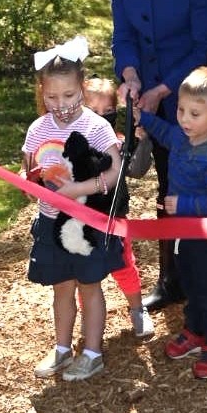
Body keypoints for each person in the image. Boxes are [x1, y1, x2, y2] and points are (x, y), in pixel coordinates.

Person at [103, 0, 207, 313]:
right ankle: (171, 278)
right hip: (147, 88)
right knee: (165, 184)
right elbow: (122, 31)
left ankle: (203, 274)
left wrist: (164, 89)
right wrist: (130, 73)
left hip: (186, 89)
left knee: (190, 180)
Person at [22, 37, 122, 383]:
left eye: (69, 95)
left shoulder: (96, 127)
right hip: (51, 224)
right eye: (52, 97)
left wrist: (79, 189)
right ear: (41, 93)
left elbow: (114, 171)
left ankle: (92, 352)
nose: (60, 104)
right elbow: (29, 168)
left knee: (89, 286)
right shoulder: (38, 129)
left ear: (82, 87)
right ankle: (62, 347)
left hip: (86, 226)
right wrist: (32, 181)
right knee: (61, 288)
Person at [140, 66, 207, 381]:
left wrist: (184, 204)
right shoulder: (183, 136)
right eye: (181, 110)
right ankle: (194, 330)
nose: (184, 119)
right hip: (183, 232)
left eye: (194, 114)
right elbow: (166, 134)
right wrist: (144, 118)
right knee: (190, 282)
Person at [82, 75, 154, 341]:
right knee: (84, 273)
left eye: (108, 111)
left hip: (113, 215)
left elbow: (137, 169)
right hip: (81, 218)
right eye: (93, 111)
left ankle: (137, 309)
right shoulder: (72, 141)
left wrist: (141, 141)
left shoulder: (118, 141)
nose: (101, 117)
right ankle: (88, 318)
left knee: (123, 265)